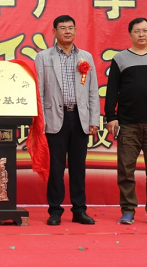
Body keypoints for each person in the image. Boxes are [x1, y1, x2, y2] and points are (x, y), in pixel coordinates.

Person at [105, 17, 147, 225]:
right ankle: (128, 210)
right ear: (130, 34)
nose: (141, 34)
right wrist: (111, 116)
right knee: (126, 169)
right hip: (127, 124)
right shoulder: (120, 59)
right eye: (137, 31)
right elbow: (111, 91)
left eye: (145, 30)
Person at [35, 15, 100, 226]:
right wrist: (40, 120)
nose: (67, 31)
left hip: (79, 118)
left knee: (78, 168)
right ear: (54, 32)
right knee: (55, 168)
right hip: (55, 117)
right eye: (62, 28)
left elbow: (92, 91)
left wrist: (93, 120)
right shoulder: (43, 57)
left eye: (71, 28)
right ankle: (55, 211)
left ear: (75, 30)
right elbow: (40, 92)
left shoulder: (86, 57)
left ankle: (79, 210)